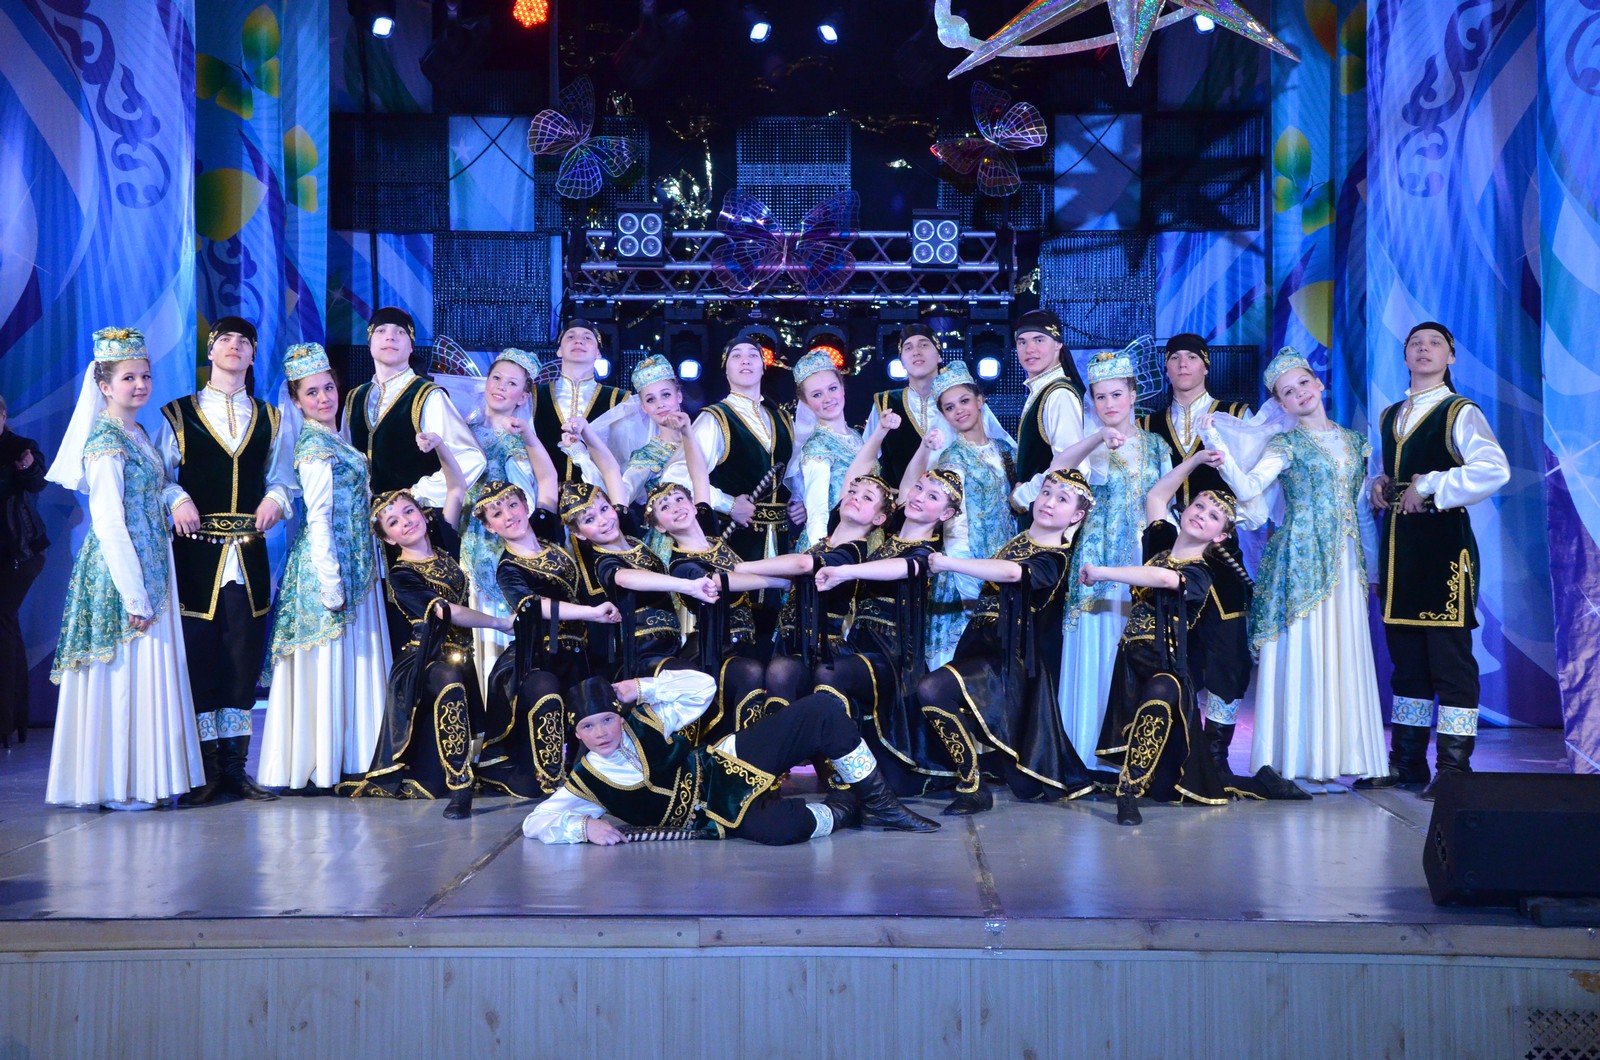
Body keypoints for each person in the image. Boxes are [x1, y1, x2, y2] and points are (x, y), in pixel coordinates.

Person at [1199, 348, 1388, 790]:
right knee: (1305, 649)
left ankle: (1345, 754)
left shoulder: (1353, 441)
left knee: (1343, 650)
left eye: (1303, 383)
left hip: (1346, 560)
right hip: (1299, 555)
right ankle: (1300, 757)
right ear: (1280, 404)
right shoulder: (1285, 444)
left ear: (1318, 384)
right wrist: (1216, 445)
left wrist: (1374, 570)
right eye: (1287, 391)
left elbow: (1361, 511)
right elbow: (1249, 487)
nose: (1299, 393)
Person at [1087, 456, 1308, 826]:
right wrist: (1196, 460)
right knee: (1167, 780)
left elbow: (1163, 579)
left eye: (1213, 516)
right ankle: (1146, 780)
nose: (1202, 515)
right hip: (1130, 664)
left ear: (1219, 536)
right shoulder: (1160, 546)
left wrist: (1102, 573)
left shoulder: (1200, 571)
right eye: (1199, 506)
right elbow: (1157, 497)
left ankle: (1128, 793)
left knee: (1162, 693)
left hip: (1165, 665)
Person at [44, 327, 205, 809]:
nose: (140, 385)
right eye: (129, 378)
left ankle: (142, 778)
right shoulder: (105, 440)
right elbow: (110, 521)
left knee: (144, 673)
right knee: (122, 673)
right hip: (121, 572)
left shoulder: (137, 433)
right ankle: (118, 783)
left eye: (145, 376)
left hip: (151, 562)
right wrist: (133, 593)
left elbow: (155, 485)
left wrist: (175, 495)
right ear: (105, 386)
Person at [1358, 322, 1511, 798]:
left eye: (1435, 344)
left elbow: (1493, 469)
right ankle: (1407, 762)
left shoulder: (1459, 411)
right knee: (1407, 664)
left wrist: (1430, 485)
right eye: (1415, 344)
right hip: (1399, 552)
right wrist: (1379, 483)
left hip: (1443, 550)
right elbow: (1390, 470)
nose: (1424, 349)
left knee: (1450, 663)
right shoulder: (1391, 415)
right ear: (1405, 355)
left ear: (1451, 357)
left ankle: (1454, 767)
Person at [521, 671, 939, 844]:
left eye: (607, 720)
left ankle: (883, 804)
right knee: (784, 830)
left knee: (820, 710)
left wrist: (643, 688)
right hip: (719, 818)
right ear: (576, 733)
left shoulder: (647, 720)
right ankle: (849, 806)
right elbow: (533, 822)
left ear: (619, 715)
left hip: (726, 762)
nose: (601, 733)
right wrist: (583, 826)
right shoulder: (585, 782)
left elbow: (702, 687)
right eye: (589, 727)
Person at [155, 316, 294, 805]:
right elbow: (158, 476)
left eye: (244, 341)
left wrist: (276, 498)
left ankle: (235, 769)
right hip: (196, 555)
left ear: (253, 355)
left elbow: (283, 477)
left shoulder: (272, 418)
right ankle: (205, 770)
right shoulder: (178, 414)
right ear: (210, 352)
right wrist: (176, 499)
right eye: (225, 340)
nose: (235, 347)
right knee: (200, 658)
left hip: (248, 557)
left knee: (242, 658)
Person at [916, 469, 1098, 815]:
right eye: (1046, 492)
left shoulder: (1055, 557)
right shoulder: (1020, 540)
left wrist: (950, 563)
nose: (1049, 502)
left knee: (933, 689)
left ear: (1076, 517)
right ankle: (976, 777)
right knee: (1019, 776)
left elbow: (1014, 573)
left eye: (1062, 499)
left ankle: (974, 786)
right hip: (982, 645)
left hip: (1008, 659)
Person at [257, 344, 391, 793]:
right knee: (329, 662)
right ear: (296, 401)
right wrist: (331, 583)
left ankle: (352, 755)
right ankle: (324, 762)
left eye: (328, 388)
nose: (323, 398)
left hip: (356, 561)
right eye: (311, 393)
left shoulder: (337, 439)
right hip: (327, 566)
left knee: (351, 660)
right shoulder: (314, 448)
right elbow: (318, 517)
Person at [347, 487, 503, 818]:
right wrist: (499, 623)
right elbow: (445, 612)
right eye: (393, 522)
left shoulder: (443, 548)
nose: (405, 522)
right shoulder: (402, 574)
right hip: (423, 660)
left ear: (422, 513)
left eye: (408, 511)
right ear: (388, 538)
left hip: (459, 656)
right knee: (448, 678)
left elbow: (456, 487)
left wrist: (442, 453)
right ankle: (461, 786)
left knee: (460, 676)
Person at [1139, 333, 1255, 773]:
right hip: (1167, 546)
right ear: (1166, 368)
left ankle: (1216, 757)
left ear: (1206, 365)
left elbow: (1254, 484)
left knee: (1227, 648)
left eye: (1192, 357)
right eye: (1174, 358)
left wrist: (1231, 523)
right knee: (1172, 649)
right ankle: (1174, 749)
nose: (1183, 364)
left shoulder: (1236, 415)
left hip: (1221, 551)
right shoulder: (1147, 424)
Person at [811, 469, 963, 798]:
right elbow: (858, 480)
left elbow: (903, 568)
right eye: (918, 488)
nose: (919, 497)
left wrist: (845, 571)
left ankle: (845, 779)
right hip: (860, 644)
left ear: (946, 514)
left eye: (932, 497)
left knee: (829, 673)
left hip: (892, 655)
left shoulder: (927, 553)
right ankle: (844, 771)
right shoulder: (885, 540)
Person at [1053, 349, 1171, 767]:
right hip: (1098, 553)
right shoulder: (1090, 444)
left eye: (1116, 394)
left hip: (1141, 556)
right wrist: (1096, 439)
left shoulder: (1157, 445)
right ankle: (1087, 753)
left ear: (1133, 394)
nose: (1109, 404)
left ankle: (1134, 754)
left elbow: (1163, 505)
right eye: (1100, 397)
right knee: (1097, 645)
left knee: (1137, 646)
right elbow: (1058, 469)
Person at [343, 306, 486, 650]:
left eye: (400, 333)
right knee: (380, 622)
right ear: (369, 342)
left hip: (416, 532)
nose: (389, 337)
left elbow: (471, 458)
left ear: (411, 346)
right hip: (370, 533)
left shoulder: (427, 395)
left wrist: (415, 497)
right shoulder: (355, 397)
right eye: (381, 331)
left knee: (423, 624)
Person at [476, 480, 622, 796]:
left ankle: (594, 779)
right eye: (497, 514)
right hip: (538, 656)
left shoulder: (551, 540)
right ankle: (552, 784)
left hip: (578, 653)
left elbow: (546, 476)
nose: (509, 515)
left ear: (526, 505)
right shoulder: (508, 568)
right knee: (546, 690)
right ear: (489, 527)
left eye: (512, 505)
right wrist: (590, 613)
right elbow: (535, 606)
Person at [663, 326, 797, 651]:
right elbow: (677, 475)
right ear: (725, 370)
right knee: (738, 631)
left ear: (764, 366)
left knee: (777, 632)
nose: (745, 360)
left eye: (753, 355)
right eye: (736, 356)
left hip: (779, 538)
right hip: (735, 538)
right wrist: (726, 503)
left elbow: (793, 474)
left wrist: (800, 501)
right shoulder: (716, 418)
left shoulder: (782, 417)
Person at [898, 362, 1018, 668]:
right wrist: (965, 574)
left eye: (964, 401)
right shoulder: (952, 459)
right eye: (949, 407)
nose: (959, 411)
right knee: (965, 657)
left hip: (1003, 559)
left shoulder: (1005, 449)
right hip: (967, 563)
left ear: (980, 400)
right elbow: (955, 522)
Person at [460, 347, 559, 690]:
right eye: (496, 378)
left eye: (512, 383)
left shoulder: (519, 439)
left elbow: (541, 486)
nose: (501, 387)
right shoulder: (465, 429)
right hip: (471, 538)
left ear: (523, 396)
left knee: (509, 626)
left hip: (505, 544)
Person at [558, 479, 721, 681]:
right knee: (694, 679)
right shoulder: (603, 560)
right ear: (578, 533)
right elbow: (626, 578)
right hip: (643, 652)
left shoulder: (634, 542)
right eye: (589, 519)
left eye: (604, 509)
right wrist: (688, 586)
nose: (603, 520)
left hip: (672, 645)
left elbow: (612, 473)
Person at [580, 353, 695, 566]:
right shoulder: (648, 455)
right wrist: (582, 457)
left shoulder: (700, 436)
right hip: (673, 541)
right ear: (643, 407)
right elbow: (621, 496)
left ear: (679, 396)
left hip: (709, 525)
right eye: (651, 399)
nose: (660, 404)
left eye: (666, 395)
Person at [0, 392, 49, 747]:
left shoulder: (20, 448)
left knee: (2, 622)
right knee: (8, 627)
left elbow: (37, 480)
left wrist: (28, 466)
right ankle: (16, 718)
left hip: (20, 554)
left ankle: (5, 721)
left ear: (3, 416)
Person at [1009, 309, 1088, 523]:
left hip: (1051, 523)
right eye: (1022, 342)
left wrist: (1023, 495)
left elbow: (1071, 467)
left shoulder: (1059, 395)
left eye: (1039, 340)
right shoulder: (1043, 391)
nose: (1029, 349)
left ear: (1058, 344)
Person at [789, 349, 869, 553]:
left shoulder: (856, 436)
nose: (828, 398)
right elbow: (818, 514)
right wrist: (822, 558)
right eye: (817, 394)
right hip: (833, 546)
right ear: (806, 403)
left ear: (842, 388)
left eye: (832, 388)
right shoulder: (817, 447)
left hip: (862, 540)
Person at [530, 317, 626, 483]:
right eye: (571, 336)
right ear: (559, 351)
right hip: (544, 495)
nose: (579, 341)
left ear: (598, 353)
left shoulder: (620, 400)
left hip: (598, 496)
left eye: (587, 338)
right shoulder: (534, 395)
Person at [863, 324, 944, 497]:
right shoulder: (886, 403)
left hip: (954, 507)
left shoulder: (961, 400)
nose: (916, 352)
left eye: (924, 344)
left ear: (939, 355)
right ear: (902, 361)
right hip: (902, 507)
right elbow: (866, 461)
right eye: (908, 348)